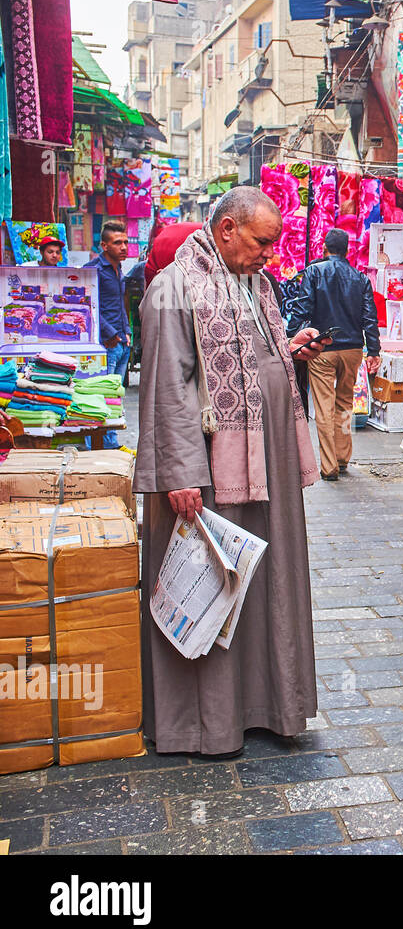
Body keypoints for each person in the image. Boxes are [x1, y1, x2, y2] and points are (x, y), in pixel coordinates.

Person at [133, 186, 331, 758]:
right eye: (262, 240)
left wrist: (285, 353)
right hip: (210, 476)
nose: (272, 253)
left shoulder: (255, 285)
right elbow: (169, 389)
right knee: (213, 585)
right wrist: (179, 475)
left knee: (262, 587)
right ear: (226, 230)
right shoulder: (173, 290)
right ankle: (208, 725)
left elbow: (248, 360)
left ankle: (265, 707)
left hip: (261, 470)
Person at [286, 228, 381, 480]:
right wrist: (374, 350)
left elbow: (302, 307)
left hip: (323, 349)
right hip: (352, 350)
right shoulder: (360, 278)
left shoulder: (314, 271)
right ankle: (342, 458)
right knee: (344, 404)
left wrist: (288, 335)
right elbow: (369, 318)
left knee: (324, 408)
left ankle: (328, 466)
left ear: (325, 248)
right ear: (347, 250)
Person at [84, 220, 131, 445]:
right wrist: (111, 333)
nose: (123, 247)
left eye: (125, 242)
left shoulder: (119, 268)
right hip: (106, 344)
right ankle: (103, 445)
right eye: (117, 243)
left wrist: (127, 332)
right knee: (102, 396)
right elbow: (88, 305)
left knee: (114, 397)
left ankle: (110, 444)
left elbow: (121, 304)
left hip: (121, 343)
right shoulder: (93, 270)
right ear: (104, 245)